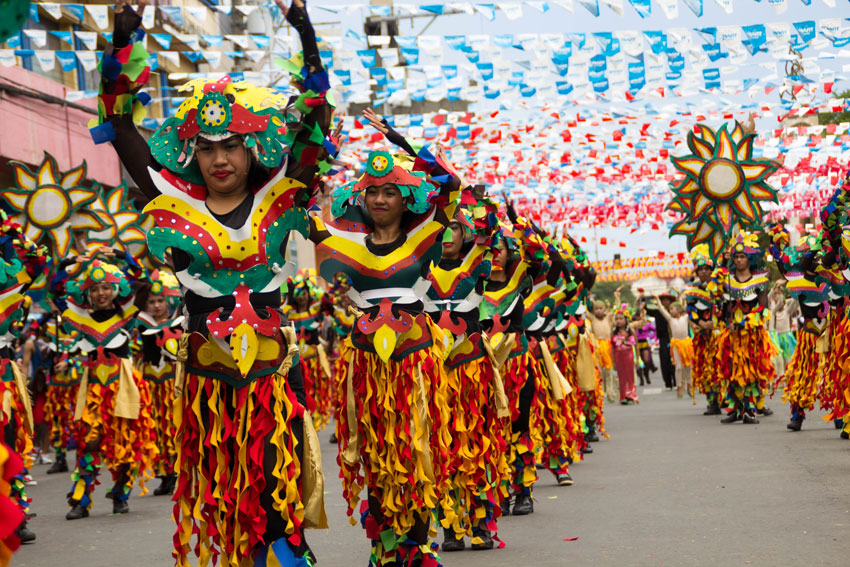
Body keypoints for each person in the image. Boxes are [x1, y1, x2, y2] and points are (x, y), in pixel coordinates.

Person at [97, 0, 335, 562]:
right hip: (208, 381)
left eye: (231, 145)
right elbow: (119, 122)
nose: (219, 158)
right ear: (192, 152)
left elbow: (317, 114)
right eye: (207, 148)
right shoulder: (169, 197)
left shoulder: (281, 192)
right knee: (226, 496)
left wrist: (304, 31)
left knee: (280, 488)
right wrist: (118, 44)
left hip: (275, 375)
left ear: (251, 149)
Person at [314, 110, 460, 565]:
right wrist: (319, 164)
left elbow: (450, 184)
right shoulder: (345, 242)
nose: (380, 198)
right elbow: (304, 213)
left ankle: (416, 545)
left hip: (416, 360)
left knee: (417, 448)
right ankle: (384, 546)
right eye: (372, 190)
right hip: (364, 363)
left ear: (405, 199)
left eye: (390, 191)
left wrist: (400, 140)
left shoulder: (423, 238)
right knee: (375, 453)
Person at [425, 194, 509, 552]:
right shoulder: (419, 265)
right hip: (431, 371)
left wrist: (468, 195)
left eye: (455, 227)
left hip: (471, 369)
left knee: (475, 445)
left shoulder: (477, 264)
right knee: (439, 448)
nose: (448, 234)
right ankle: (447, 526)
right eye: (442, 227)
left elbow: (492, 234)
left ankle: (479, 522)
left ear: (466, 233)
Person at [56, 251, 157, 519]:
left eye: (105, 287)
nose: (100, 293)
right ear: (87, 294)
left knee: (124, 440)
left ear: (114, 289)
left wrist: (124, 257)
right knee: (89, 443)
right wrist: (70, 264)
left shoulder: (127, 314)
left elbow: (144, 281)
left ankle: (121, 495)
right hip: (92, 393)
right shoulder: (80, 318)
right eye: (94, 289)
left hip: (123, 387)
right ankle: (80, 500)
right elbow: (56, 291)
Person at [717, 232, 776, 424]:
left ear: (749, 259)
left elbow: (763, 308)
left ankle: (750, 409)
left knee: (751, 372)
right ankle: (734, 408)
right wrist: (727, 323)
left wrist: (744, 323)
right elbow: (723, 307)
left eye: (742, 256)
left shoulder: (760, 281)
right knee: (731, 370)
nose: (739, 260)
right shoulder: (727, 281)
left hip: (752, 335)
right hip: (732, 335)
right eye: (736, 256)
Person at [134, 269, 183, 496]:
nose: (156, 305)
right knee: (157, 430)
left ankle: (178, 473)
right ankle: (165, 475)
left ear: (169, 301)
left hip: (173, 385)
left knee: (174, 427)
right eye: (152, 301)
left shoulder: (180, 324)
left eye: (160, 300)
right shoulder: (142, 326)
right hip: (151, 385)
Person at [653, 296, 693, 399]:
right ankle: (679, 386)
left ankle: (689, 384)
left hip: (686, 343)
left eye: (672, 309)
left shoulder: (685, 317)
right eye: (669, 309)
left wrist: (685, 299)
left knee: (688, 366)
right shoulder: (670, 319)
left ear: (679, 310)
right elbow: (662, 310)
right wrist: (658, 301)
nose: (670, 311)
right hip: (676, 344)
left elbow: (688, 307)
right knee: (678, 367)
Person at [643, 292, 677, 390]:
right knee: (664, 360)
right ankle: (668, 383)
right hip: (663, 339)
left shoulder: (674, 313)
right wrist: (644, 297)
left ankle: (676, 381)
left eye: (667, 300)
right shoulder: (658, 312)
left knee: (674, 360)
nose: (665, 302)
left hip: (674, 339)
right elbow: (647, 309)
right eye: (663, 300)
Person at [611, 304, 641, 404]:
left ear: (626, 319)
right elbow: (612, 348)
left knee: (630, 376)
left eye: (621, 318)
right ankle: (623, 396)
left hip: (629, 355)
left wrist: (637, 359)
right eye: (616, 319)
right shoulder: (614, 333)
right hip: (618, 356)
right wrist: (613, 362)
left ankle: (631, 395)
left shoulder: (631, 331)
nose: (618, 321)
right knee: (621, 377)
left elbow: (636, 346)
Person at [768, 280, 797, 379]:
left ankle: (789, 377)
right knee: (775, 359)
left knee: (788, 359)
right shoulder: (771, 311)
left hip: (785, 337)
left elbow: (792, 302)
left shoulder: (786, 312)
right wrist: (774, 288)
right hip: (773, 336)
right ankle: (776, 379)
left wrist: (797, 291)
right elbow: (770, 299)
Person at [590, 298, 617, 402]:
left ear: (605, 309)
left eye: (600, 308)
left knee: (609, 371)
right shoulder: (592, 319)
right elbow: (585, 311)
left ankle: (610, 391)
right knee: (600, 371)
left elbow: (615, 308)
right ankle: (601, 392)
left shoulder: (608, 318)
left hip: (607, 346)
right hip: (597, 346)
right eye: (596, 309)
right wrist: (589, 299)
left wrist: (616, 296)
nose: (598, 311)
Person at [634, 317, 656, 387]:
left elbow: (655, 330)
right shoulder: (633, 325)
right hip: (636, 344)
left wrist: (651, 337)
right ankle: (641, 379)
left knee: (646, 361)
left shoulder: (647, 324)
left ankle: (647, 376)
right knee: (638, 362)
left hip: (645, 343)